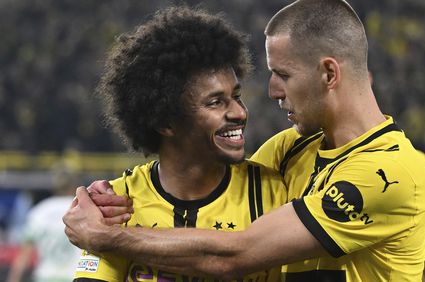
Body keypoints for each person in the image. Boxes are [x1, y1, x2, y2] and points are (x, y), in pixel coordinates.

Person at [64, 0, 425, 281]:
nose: (272, 91)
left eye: (282, 74)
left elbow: (236, 254)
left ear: (328, 73)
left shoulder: (390, 172)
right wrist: (107, 199)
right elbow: (223, 194)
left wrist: (106, 237)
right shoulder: (288, 151)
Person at [69, 6, 287, 282]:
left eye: (236, 96)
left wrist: (107, 237)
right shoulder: (119, 204)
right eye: (216, 102)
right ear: (166, 123)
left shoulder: (273, 194)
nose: (240, 113)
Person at [7, 164, 82, 282]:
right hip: (73, 276)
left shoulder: (39, 211)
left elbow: (24, 255)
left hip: (45, 277)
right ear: (74, 185)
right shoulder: (82, 209)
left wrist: (14, 279)